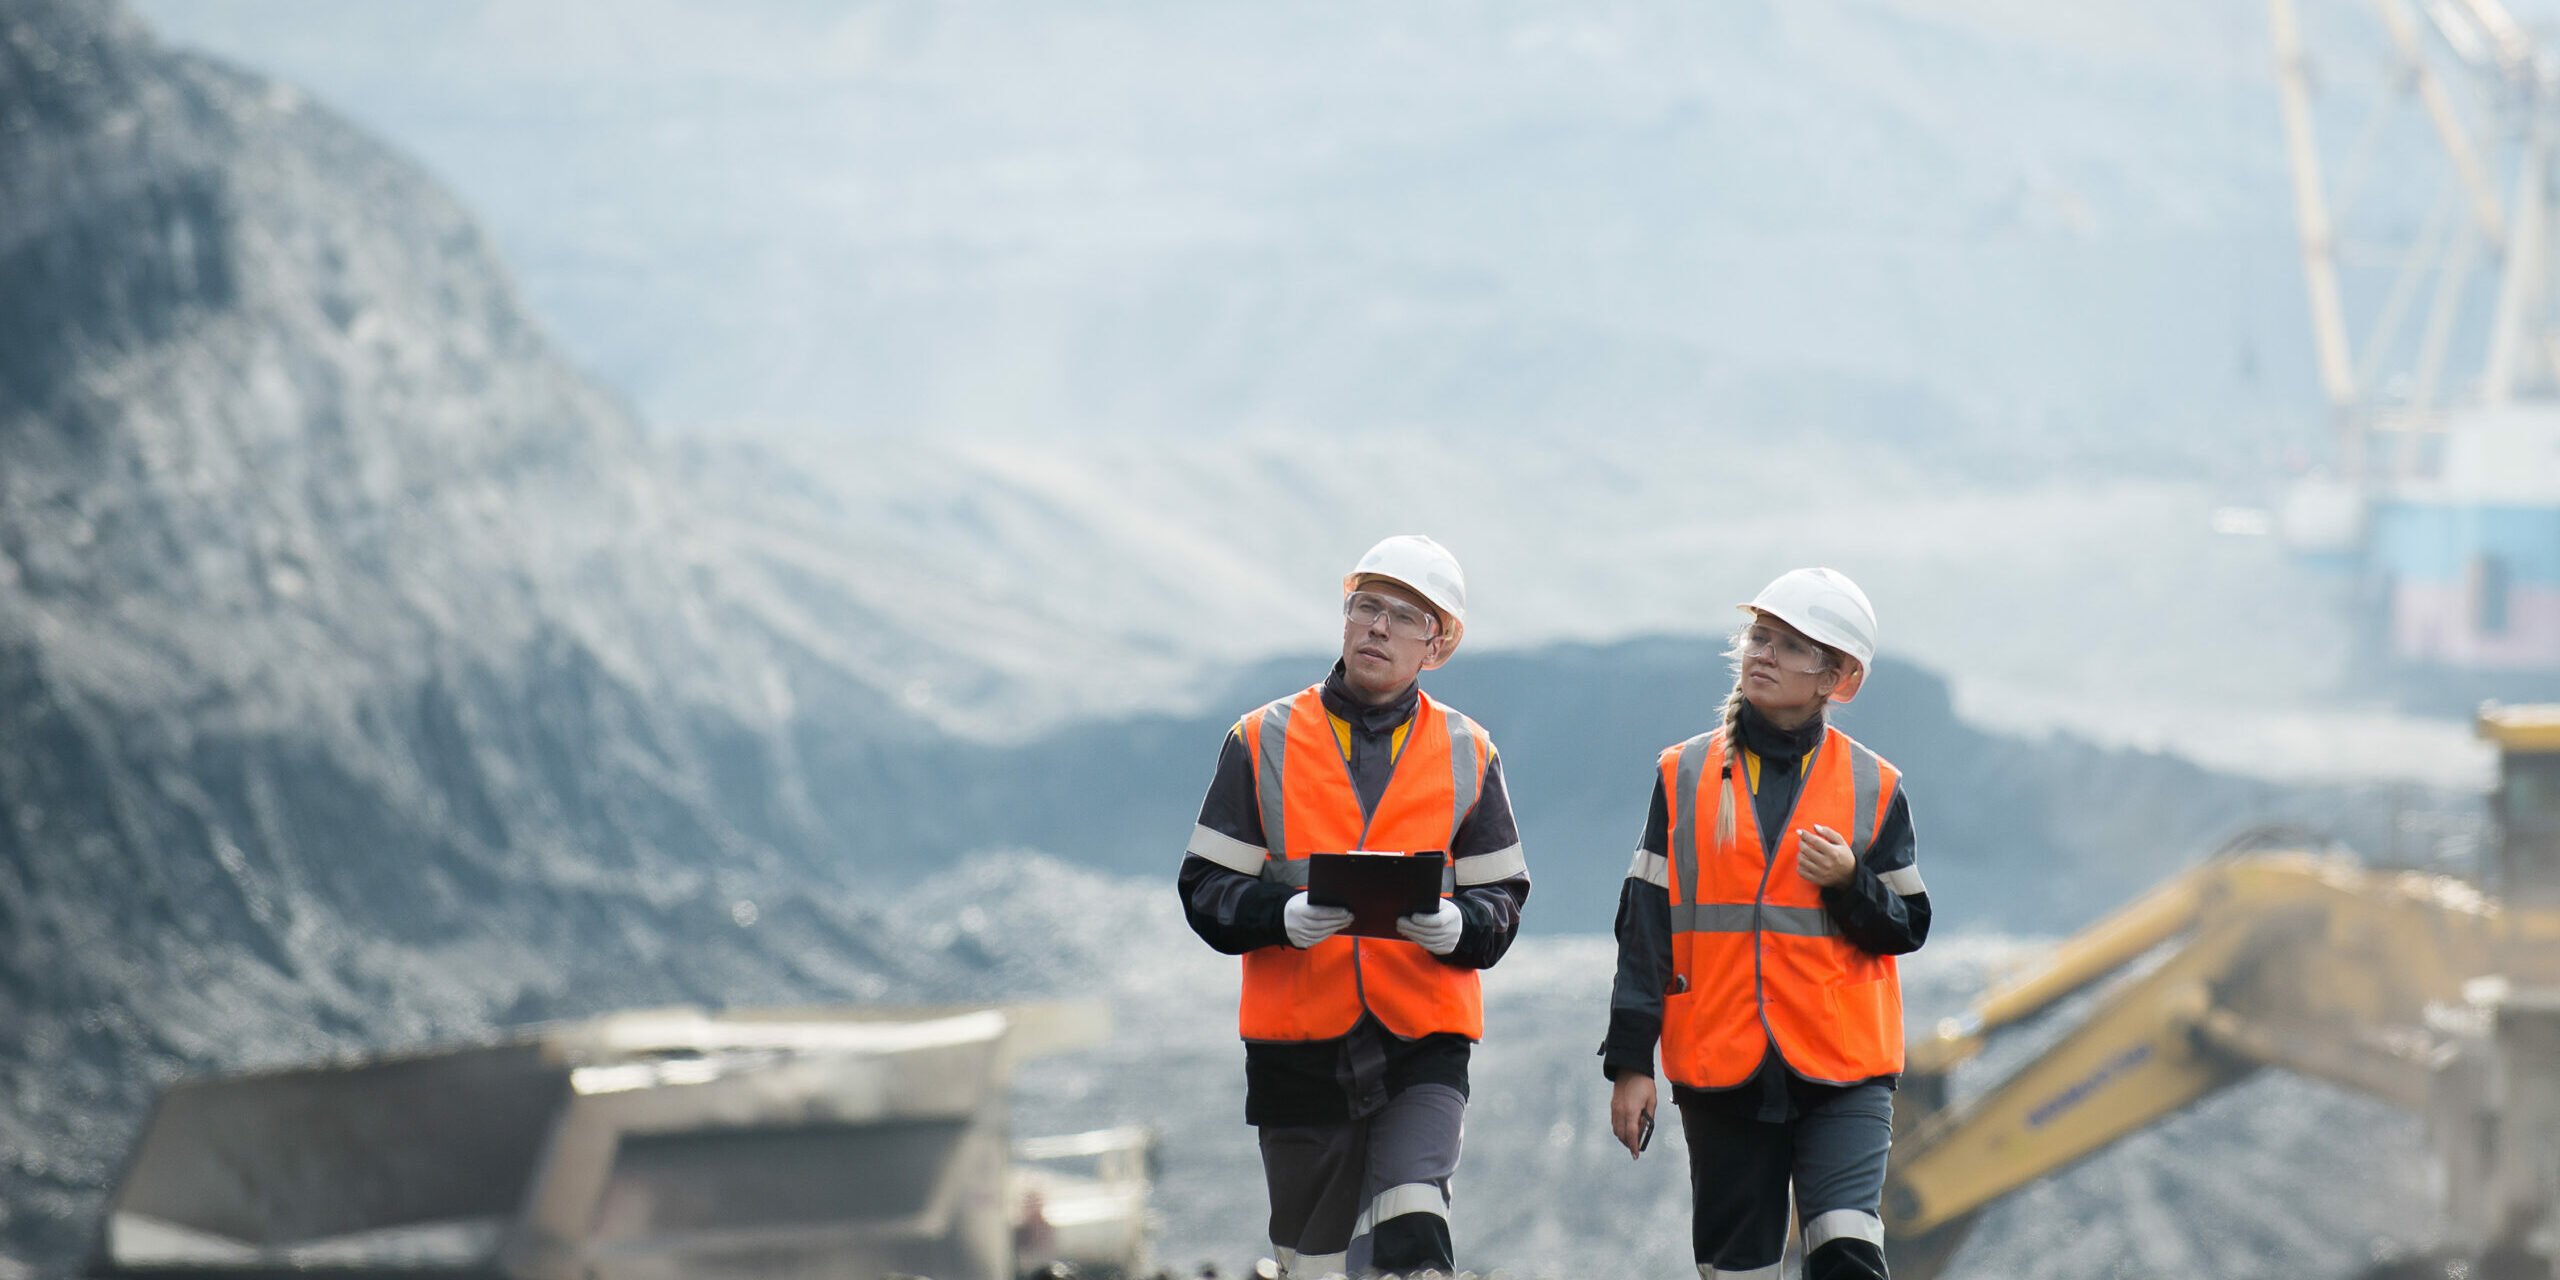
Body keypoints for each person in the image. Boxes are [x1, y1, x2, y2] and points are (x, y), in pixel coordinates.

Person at [1179, 534, 1530, 1279]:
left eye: (1404, 617)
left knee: (1413, 1236)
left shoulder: (1471, 752)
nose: (1378, 627)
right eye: (1366, 607)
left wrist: (1459, 927)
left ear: (1436, 647)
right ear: (1344, 620)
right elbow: (1205, 888)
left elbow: (1503, 896)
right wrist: (1278, 915)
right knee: (1314, 1265)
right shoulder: (1260, 739)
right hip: (1297, 1052)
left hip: (1422, 1043)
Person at [1600, 568, 1929, 1280]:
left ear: (1836, 679)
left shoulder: (1875, 786)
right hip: (1724, 1068)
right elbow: (1645, 930)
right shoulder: (1681, 775)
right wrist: (1631, 1063)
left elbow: (1907, 924)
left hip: (1845, 1069)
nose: (1763, 654)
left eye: (1788, 646)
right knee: (1737, 1270)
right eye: (1759, 636)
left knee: (1847, 1252)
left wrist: (1849, 884)